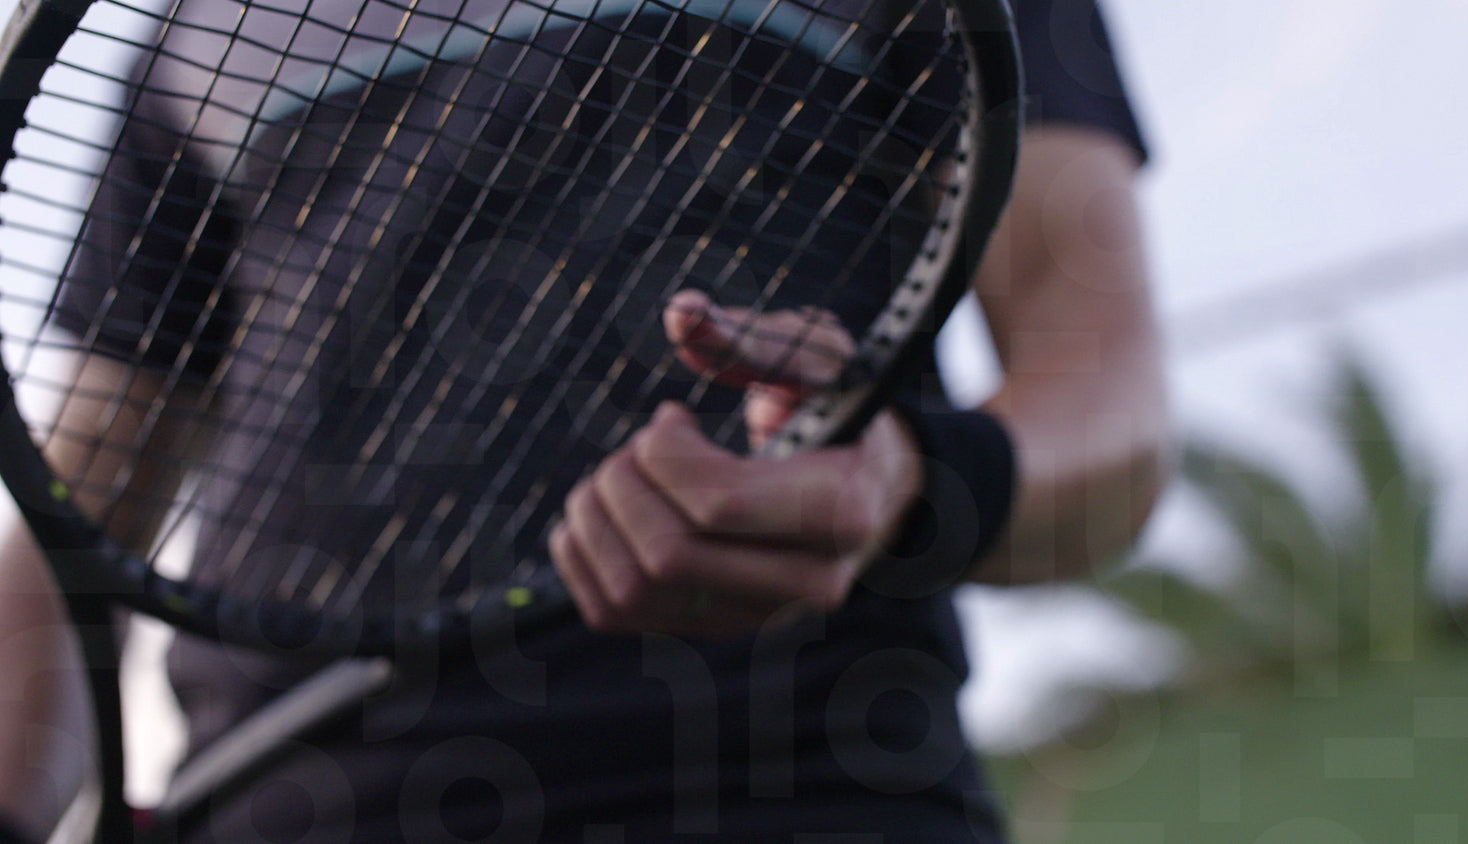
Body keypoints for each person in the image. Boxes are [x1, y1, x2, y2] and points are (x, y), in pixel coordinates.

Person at [0, 0, 1168, 840]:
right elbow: (72, 522)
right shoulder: (187, 34)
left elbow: (1112, 418)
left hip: (799, 787)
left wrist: (907, 480)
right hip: (274, 801)